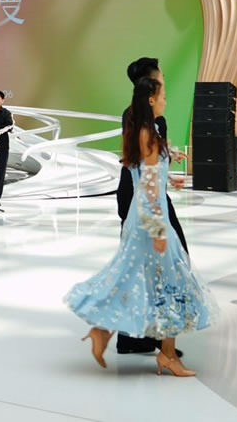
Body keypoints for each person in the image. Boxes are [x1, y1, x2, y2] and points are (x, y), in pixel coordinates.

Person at [65, 76, 213, 377]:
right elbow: (148, 187)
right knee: (168, 283)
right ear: (151, 100)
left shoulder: (144, 131)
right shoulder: (147, 133)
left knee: (140, 278)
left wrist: (169, 175)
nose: (166, 101)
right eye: (163, 96)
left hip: (144, 216)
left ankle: (104, 332)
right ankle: (166, 355)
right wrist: (158, 229)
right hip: (151, 218)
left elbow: (142, 171)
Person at [115, 57, 190, 358]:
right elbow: (141, 161)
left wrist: (167, 168)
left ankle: (138, 335)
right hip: (142, 197)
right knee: (159, 262)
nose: (164, 83)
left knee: (148, 264)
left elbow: (148, 158)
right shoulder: (140, 117)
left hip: (146, 193)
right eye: (160, 78)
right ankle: (153, 335)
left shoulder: (144, 115)